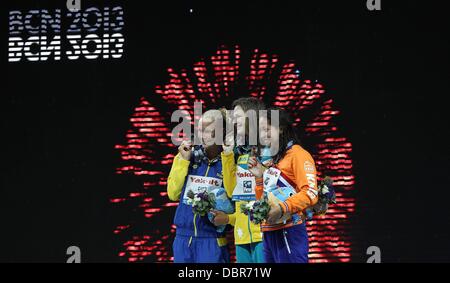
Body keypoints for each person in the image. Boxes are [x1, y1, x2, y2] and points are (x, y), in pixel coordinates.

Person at [248, 108, 319, 263]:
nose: (262, 134)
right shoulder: (276, 159)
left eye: (267, 129)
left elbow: (311, 192)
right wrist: (259, 178)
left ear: (280, 128)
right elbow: (264, 201)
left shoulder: (298, 154)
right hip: (269, 233)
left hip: (290, 231)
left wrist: (282, 208)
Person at [167, 109, 230, 263]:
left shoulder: (229, 161)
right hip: (183, 238)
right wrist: (184, 160)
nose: (202, 135)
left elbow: (234, 194)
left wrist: (228, 158)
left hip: (212, 239)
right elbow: (173, 194)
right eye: (200, 130)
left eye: (208, 130)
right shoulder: (186, 157)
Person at [211, 97, 266, 263]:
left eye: (238, 116)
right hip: (242, 235)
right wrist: (227, 155)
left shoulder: (268, 150)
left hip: (265, 232)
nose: (235, 121)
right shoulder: (239, 152)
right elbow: (231, 191)